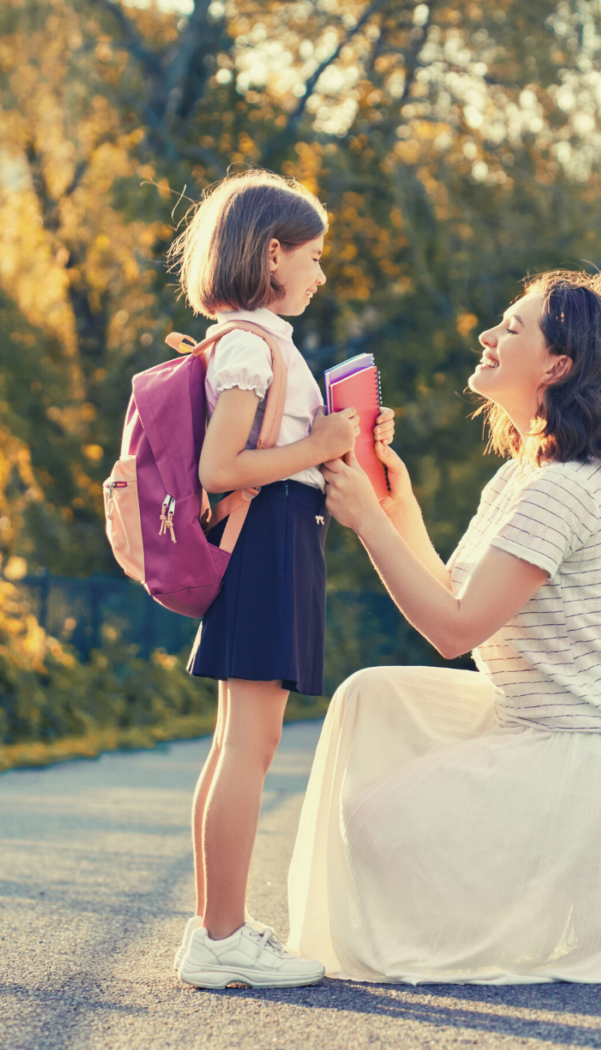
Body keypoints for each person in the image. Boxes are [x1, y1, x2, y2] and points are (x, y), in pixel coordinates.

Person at [287, 270, 601, 985]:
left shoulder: (562, 486)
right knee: (370, 694)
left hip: (588, 748)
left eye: (512, 328)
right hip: (535, 723)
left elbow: (453, 632)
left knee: (378, 821)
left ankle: (565, 880)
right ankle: (565, 878)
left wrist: (368, 524)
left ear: (557, 365)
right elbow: (453, 590)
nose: (488, 337)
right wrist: (395, 508)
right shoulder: (524, 473)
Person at [165, 169, 392, 989]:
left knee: (238, 744)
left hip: (276, 541)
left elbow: (268, 451)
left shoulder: (254, 341)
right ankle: (221, 939)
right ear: (271, 254)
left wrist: (343, 436)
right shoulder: (251, 347)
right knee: (250, 748)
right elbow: (220, 466)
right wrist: (322, 442)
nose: (321, 273)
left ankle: (214, 930)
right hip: (265, 545)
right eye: (314, 255)